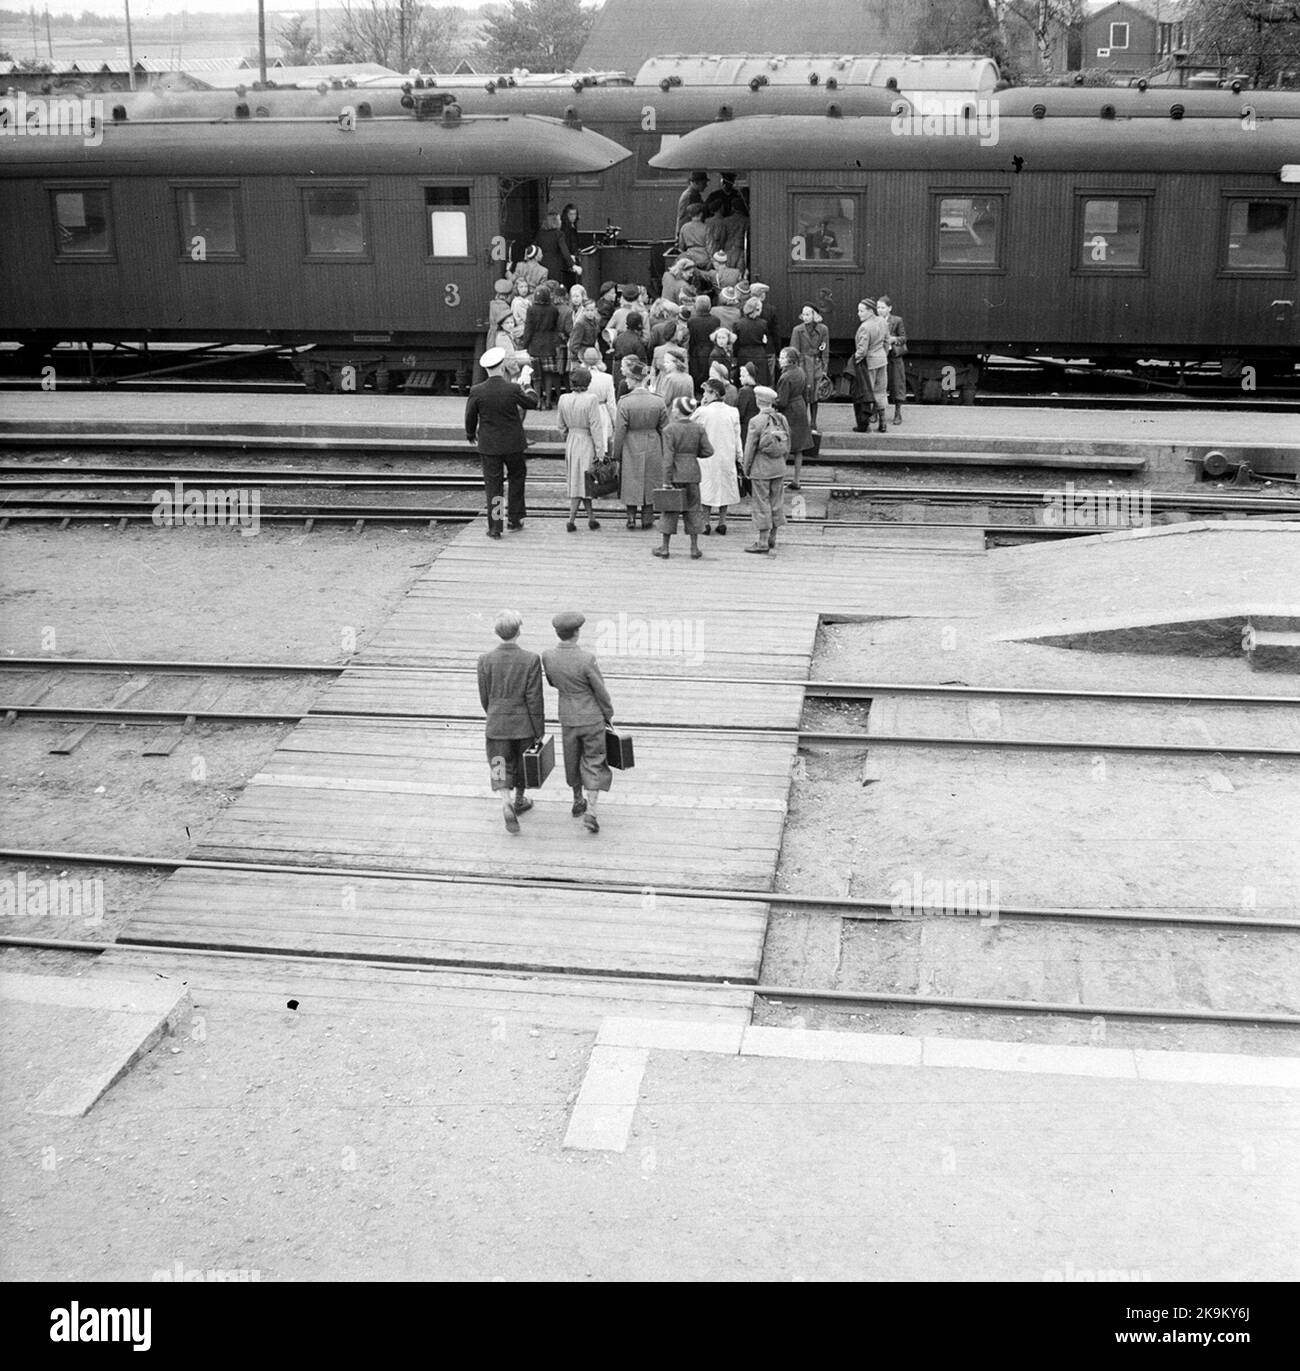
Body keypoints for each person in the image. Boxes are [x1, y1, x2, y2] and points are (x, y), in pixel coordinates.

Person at [541, 611, 613, 834]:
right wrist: (608, 714)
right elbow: (600, 690)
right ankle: (591, 810)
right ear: (577, 633)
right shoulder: (587, 659)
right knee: (593, 760)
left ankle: (576, 799)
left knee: (571, 757)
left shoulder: (548, 656)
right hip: (591, 716)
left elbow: (552, 682)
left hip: (568, 716)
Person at [477, 609, 546, 834]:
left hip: (496, 724)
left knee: (498, 762)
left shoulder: (485, 660)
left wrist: (494, 713)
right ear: (519, 631)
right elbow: (534, 698)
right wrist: (538, 729)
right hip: (523, 725)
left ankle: (505, 801)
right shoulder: (530, 659)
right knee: (522, 763)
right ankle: (519, 798)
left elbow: (484, 696)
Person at [465, 347, 539, 538]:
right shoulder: (512, 388)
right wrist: (528, 386)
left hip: (489, 446)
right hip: (513, 444)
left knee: (493, 486)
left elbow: (470, 416)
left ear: (487, 369)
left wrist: (470, 433)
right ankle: (515, 519)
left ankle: (495, 527)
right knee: (516, 479)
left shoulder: (477, 390)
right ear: (501, 366)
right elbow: (532, 403)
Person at [654, 396, 713, 561]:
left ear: (679, 411)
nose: (672, 410)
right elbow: (708, 451)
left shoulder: (669, 430)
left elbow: (668, 458)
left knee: (669, 510)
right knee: (693, 509)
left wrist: (666, 481)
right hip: (693, 473)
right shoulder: (699, 428)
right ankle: (694, 548)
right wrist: (692, 455)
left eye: (674, 408)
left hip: (675, 474)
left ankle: (665, 548)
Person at [612, 358, 668, 530]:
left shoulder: (624, 401)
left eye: (628, 378)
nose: (626, 381)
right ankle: (647, 518)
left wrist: (616, 454)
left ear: (634, 379)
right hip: (653, 442)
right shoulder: (658, 401)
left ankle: (630, 517)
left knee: (630, 480)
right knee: (651, 480)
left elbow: (620, 430)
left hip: (631, 443)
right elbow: (665, 428)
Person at [741, 385, 789, 554]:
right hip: (779, 467)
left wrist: (745, 468)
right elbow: (787, 444)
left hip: (761, 469)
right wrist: (782, 461)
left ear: (758, 401)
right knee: (776, 502)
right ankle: (772, 538)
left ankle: (762, 541)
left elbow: (750, 448)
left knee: (762, 503)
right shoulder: (781, 418)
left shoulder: (756, 421)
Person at [557, 366, 605, 534]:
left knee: (578, 481)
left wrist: (568, 435)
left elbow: (560, 426)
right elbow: (596, 427)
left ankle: (591, 518)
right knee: (585, 482)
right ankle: (571, 519)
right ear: (588, 382)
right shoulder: (592, 399)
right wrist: (600, 451)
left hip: (572, 441)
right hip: (586, 442)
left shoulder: (563, 399)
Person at [695, 376, 742, 535]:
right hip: (726, 455)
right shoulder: (733, 412)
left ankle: (705, 521)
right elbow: (737, 437)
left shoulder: (702, 412)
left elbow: (692, 427)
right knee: (724, 487)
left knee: (707, 487)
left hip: (707, 455)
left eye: (706, 393)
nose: (704, 397)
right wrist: (739, 456)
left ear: (714, 394)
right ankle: (722, 521)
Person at [775, 346, 814, 491]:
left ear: (789, 360)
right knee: (798, 448)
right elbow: (806, 394)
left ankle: (779, 480)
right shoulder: (800, 372)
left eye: (782, 357)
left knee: (784, 446)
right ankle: (796, 480)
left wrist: (773, 401)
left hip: (789, 412)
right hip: (801, 407)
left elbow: (782, 401)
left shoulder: (785, 377)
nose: (780, 359)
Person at [520, 283, 562, 409]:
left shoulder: (531, 310)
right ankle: (548, 401)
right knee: (548, 375)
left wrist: (524, 345)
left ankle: (538, 402)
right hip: (549, 345)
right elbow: (556, 327)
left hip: (535, 346)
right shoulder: (554, 309)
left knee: (536, 376)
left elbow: (528, 329)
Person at [852, 296, 890, 433]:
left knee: (866, 393)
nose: (858, 313)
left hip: (869, 363)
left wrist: (854, 361)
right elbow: (886, 341)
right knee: (881, 392)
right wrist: (882, 354)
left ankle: (865, 424)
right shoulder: (882, 322)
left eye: (861, 311)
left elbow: (862, 351)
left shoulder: (865, 327)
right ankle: (883, 423)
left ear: (870, 311)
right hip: (882, 360)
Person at [789, 303, 830, 428]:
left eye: (808, 314)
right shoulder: (797, 330)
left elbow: (825, 349)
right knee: (803, 394)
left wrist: (825, 368)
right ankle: (803, 421)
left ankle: (813, 422)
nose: (805, 317)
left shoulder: (823, 329)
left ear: (814, 315)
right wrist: (794, 369)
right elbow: (794, 351)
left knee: (815, 395)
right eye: (804, 314)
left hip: (816, 364)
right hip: (802, 364)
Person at [877, 294, 908, 424]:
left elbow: (903, 338)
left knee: (897, 384)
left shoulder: (897, 321)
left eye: (882, 307)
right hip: (879, 357)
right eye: (878, 307)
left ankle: (897, 413)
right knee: (878, 385)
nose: (879, 310)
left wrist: (893, 339)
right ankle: (876, 413)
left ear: (889, 308)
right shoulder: (874, 320)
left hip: (893, 357)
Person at [582, 346, 617, 444]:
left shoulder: (580, 377)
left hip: (585, 411)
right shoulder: (608, 378)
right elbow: (611, 404)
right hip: (602, 412)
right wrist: (615, 422)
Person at [733, 296, 771, 386]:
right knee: (760, 382)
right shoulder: (763, 324)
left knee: (744, 383)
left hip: (743, 355)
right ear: (757, 309)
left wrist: (736, 355)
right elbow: (765, 341)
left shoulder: (738, 324)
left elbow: (736, 344)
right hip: (759, 355)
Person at [677, 202, 712, 271]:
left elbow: (681, 246)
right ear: (701, 214)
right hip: (704, 259)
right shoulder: (706, 227)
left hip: (690, 257)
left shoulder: (684, 227)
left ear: (690, 215)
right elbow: (710, 246)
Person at [558, 202, 585, 291]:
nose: (573, 216)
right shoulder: (565, 228)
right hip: (568, 260)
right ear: (566, 215)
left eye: (574, 214)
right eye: (570, 214)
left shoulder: (572, 226)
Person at [675, 170, 710, 236]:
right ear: (696, 182)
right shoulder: (691, 196)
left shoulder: (693, 194)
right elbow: (684, 217)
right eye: (703, 183)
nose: (706, 185)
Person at [735, 360, 760, 441]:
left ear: (748, 376)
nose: (740, 378)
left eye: (742, 376)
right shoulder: (759, 388)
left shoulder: (744, 391)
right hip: (757, 425)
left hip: (746, 428)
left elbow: (740, 413)